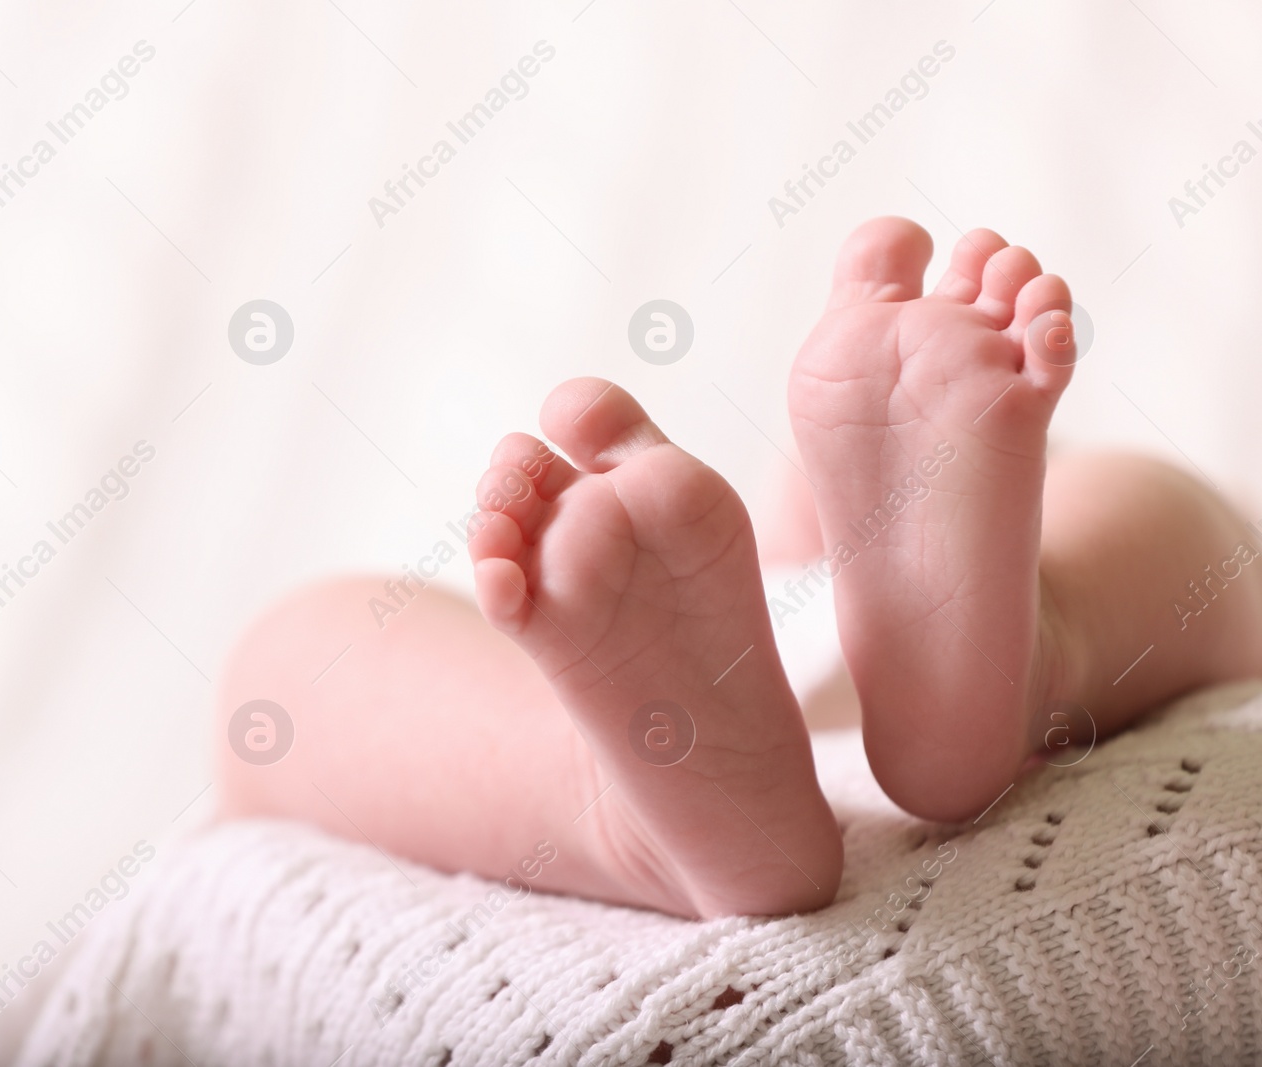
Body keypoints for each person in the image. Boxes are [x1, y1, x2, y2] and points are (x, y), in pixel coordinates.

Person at [217, 217, 1262, 918]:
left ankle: (610, 800)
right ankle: (1025, 651)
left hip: (797, 627)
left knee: (286, 665)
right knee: (1184, 518)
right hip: (800, 627)